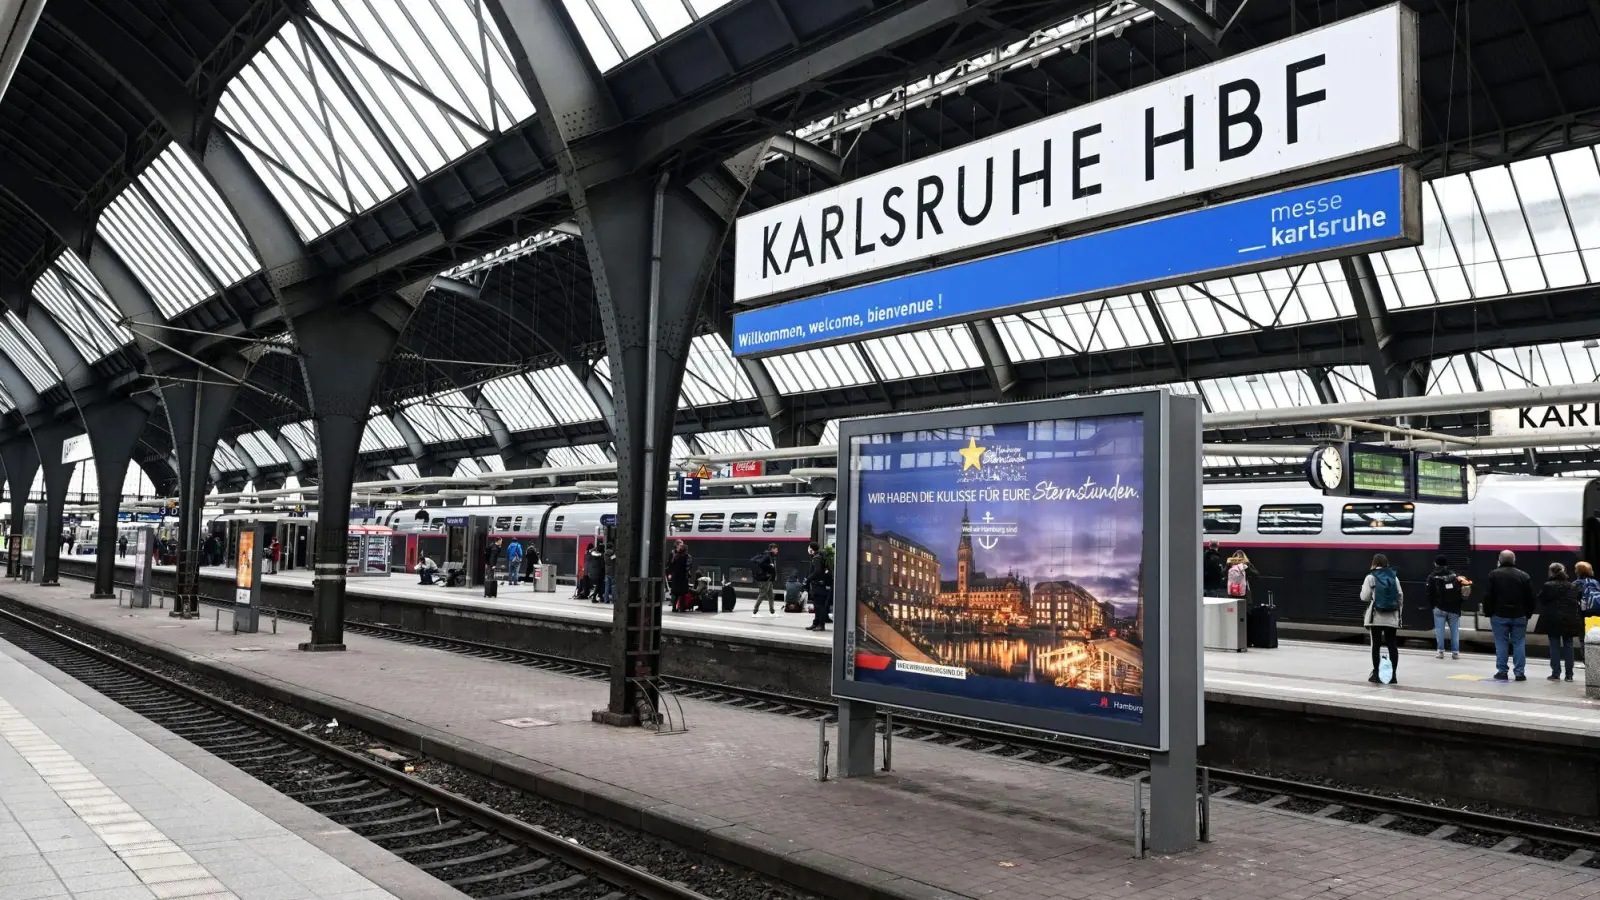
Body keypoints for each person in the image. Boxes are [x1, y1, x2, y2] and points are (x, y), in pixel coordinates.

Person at [1480, 549, 1535, 682]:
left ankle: (1502, 671)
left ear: (1499, 560)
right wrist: (1528, 613)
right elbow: (1531, 597)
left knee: (1501, 643)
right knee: (1519, 643)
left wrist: (1488, 612)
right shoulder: (1524, 575)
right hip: (1519, 615)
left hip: (1499, 615)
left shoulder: (1493, 574)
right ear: (1514, 560)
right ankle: (1520, 673)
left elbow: (1488, 596)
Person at [1536, 562, 1584, 682]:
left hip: (1553, 619)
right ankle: (1569, 675)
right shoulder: (1573, 586)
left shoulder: (1548, 585)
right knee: (1569, 645)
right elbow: (1577, 599)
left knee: (1554, 645)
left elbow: (1541, 599)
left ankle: (1556, 673)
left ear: (1551, 572)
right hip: (1570, 619)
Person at [1360, 553, 1402, 684]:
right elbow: (1400, 597)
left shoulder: (1370, 577)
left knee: (1376, 646)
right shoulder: (1394, 577)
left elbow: (1364, 597)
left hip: (1376, 617)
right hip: (1391, 617)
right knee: (1392, 645)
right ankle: (1393, 676)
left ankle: (1377, 674)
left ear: (1374, 562)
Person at [1427, 554, 1464, 659]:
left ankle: (1440, 652)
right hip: (1454, 609)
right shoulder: (1455, 576)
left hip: (1439, 608)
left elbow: (1429, 593)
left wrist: (1433, 606)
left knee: (1439, 630)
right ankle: (1455, 653)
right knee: (1455, 631)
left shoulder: (1432, 576)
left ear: (1436, 563)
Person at [806, 542, 832, 631]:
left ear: (811, 549)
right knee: (817, 605)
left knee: (819, 606)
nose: (808, 549)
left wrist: (808, 578)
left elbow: (817, 571)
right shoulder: (819, 557)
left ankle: (821, 625)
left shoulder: (816, 558)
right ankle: (815, 623)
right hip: (820, 585)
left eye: (809, 548)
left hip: (819, 586)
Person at [752, 543, 778, 615]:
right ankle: (755, 609)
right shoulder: (767, 556)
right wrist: (770, 565)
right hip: (765, 580)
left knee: (771, 596)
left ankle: (772, 611)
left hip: (769, 580)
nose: (777, 551)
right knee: (762, 594)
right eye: (776, 549)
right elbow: (761, 563)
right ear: (772, 549)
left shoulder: (771, 556)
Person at [666, 540, 692, 612]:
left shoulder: (676, 556)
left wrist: (671, 573)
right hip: (682, 577)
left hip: (676, 576)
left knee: (675, 592)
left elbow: (670, 565)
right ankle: (682, 608)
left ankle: (674, 608)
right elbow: (688, 566)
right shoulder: (687, 556)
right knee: (682, 593)